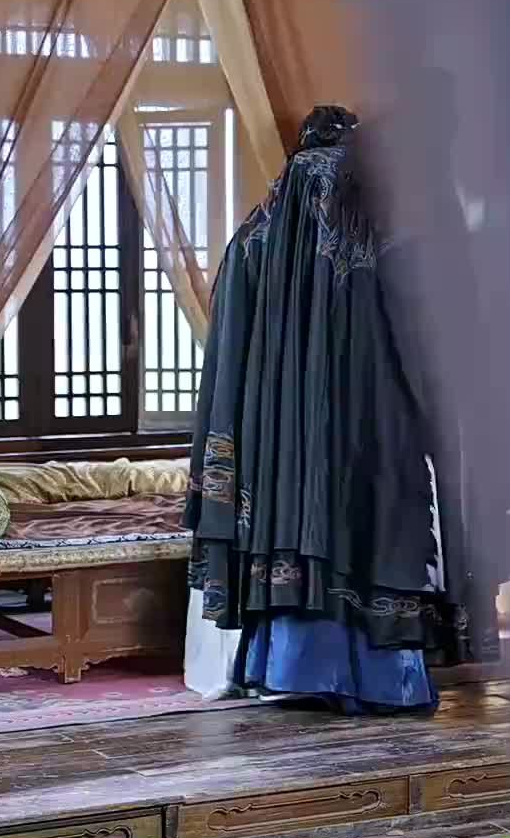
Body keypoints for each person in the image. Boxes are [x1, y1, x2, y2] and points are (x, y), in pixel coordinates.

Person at [185, 104, 458, 713]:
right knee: (371, 527)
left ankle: (286, 669)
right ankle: (377, 679)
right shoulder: (376, 226)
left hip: (278, 434)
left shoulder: (257, 234)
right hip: (372, 420)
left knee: (292, 524)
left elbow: (227, 347)